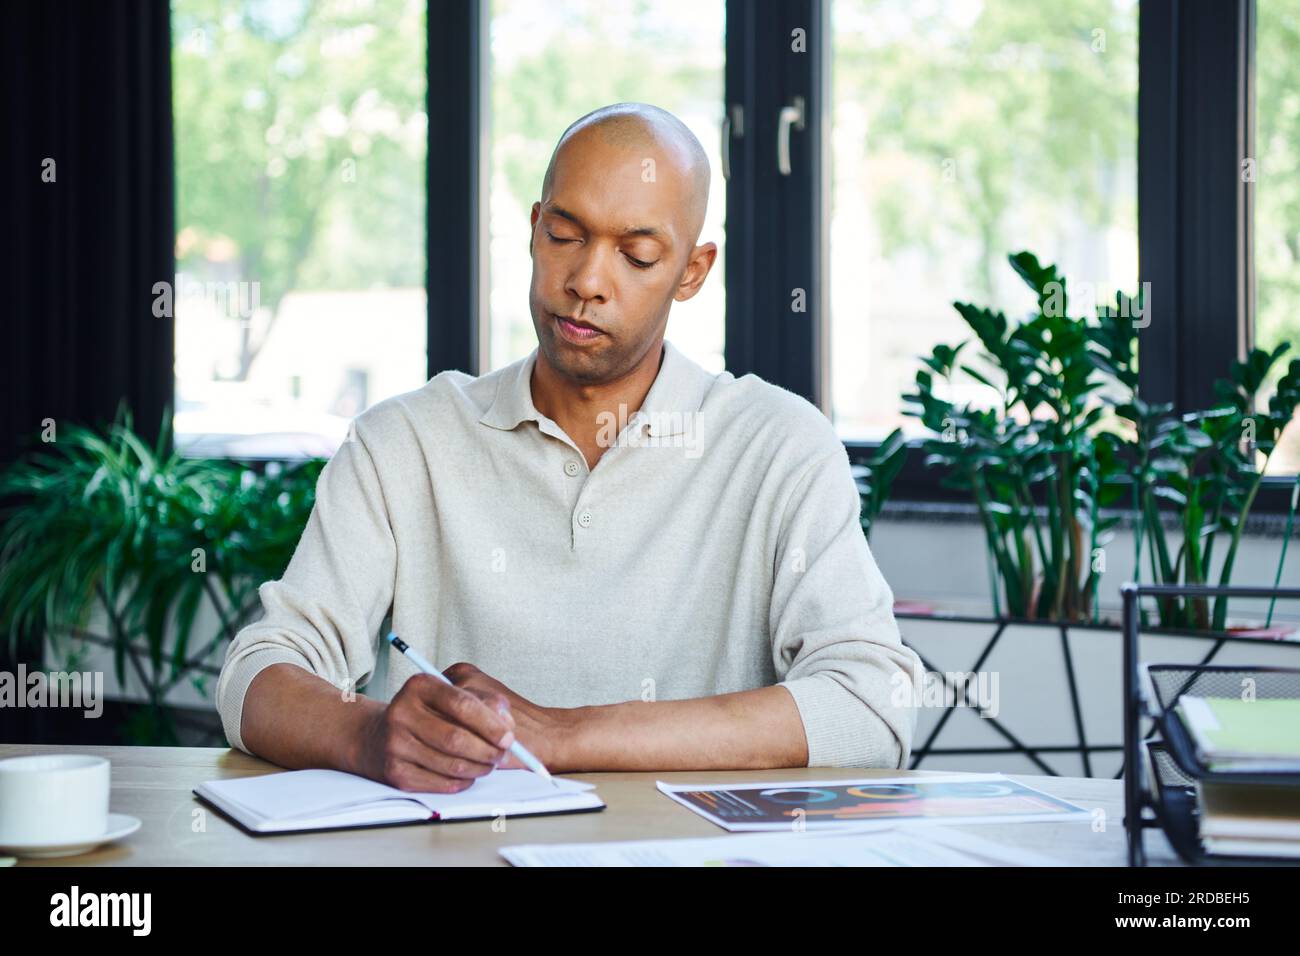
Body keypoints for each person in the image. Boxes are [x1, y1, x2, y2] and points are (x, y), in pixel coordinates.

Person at [215, 102, 921, 792]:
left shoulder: (780, 446)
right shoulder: (405, 440)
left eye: (636, 254)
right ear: (532, 230)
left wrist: (561, 734)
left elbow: (871, 706)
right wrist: (365, 735)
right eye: (565, 234)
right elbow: (257, 675)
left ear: (693, 272)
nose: (586, 281)